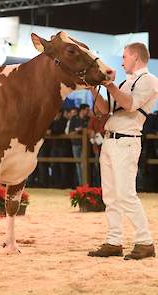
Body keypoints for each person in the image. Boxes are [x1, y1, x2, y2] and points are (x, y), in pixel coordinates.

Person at [88, 42, 158, 260]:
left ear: (136, 57)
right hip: (111, 141)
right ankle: (114, 241)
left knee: (126, 194)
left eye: (125, 57)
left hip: (127, 142)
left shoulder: (149, 80)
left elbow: (129, 104)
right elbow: (103, 109)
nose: (122, 61)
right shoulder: (126, 82)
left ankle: (145, 242)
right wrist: (92, 86)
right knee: (110, 196)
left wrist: (110, 86)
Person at [69, 104, 90, 186]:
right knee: (78, 164)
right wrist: (78, 131)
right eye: (87, 110)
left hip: (86, 145)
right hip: (75, 144)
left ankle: (85, 184)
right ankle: (81, 184)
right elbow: (70, 132)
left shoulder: (88, 119)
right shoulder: (74, 119)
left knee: (84, 164)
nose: (88, 112)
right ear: (82, 110)